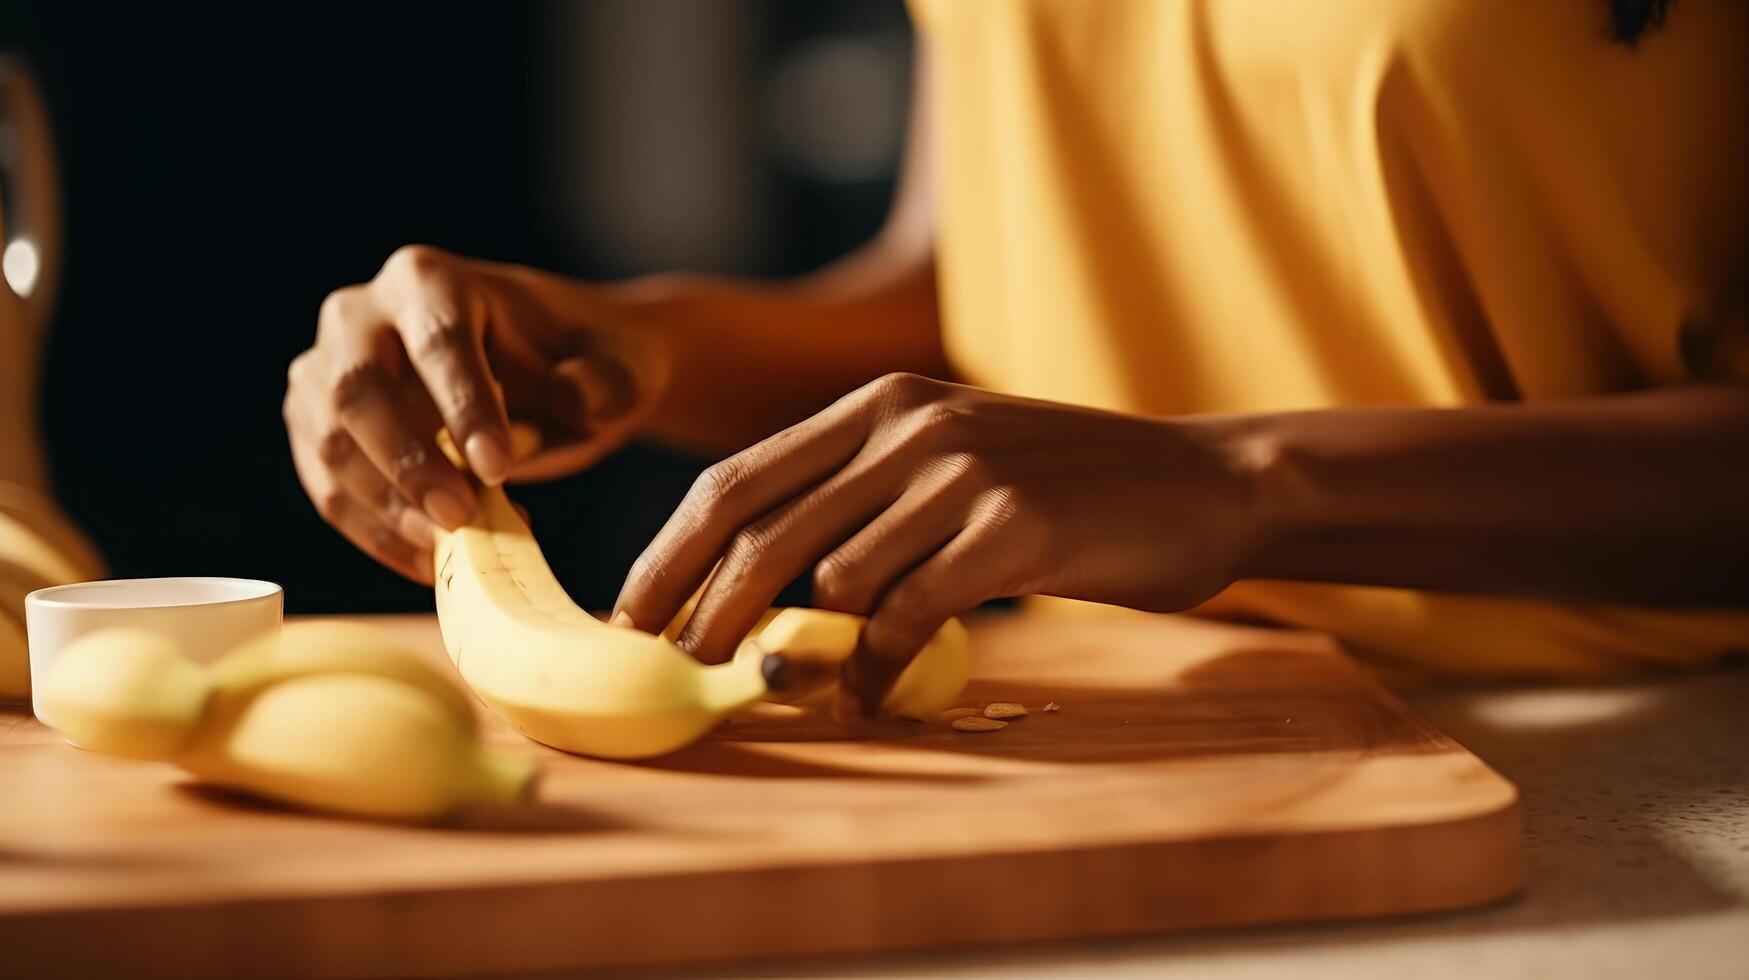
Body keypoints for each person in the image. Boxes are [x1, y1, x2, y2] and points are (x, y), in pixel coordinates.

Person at [284, 0, 1748, 715]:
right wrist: (644, 345)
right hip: (1112, 717)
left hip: (1638, 748)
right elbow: (969, 278)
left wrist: (1243, 483)